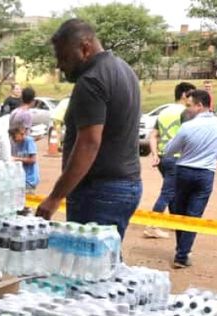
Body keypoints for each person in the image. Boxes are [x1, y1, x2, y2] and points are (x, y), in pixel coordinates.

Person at [35, 19, 142, 241]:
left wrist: (55, 197)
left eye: (63, 57)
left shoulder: (90, 81)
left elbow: (89, 143)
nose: (59, 65)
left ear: (85, 48)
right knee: (104, 263)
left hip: (99, 192)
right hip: (127, 185)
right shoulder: (124, 70)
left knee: (87, 267)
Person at [163, 89, 217, 268]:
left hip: (184, 171)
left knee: (179, 213)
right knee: (194, 215)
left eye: (190, 105)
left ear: (200, 106)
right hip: (206, 174)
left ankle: (181, 250)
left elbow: (169, 150)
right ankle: (182, 255)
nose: (188, 109)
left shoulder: (187, 127)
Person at [145, 81, 196, 240]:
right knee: (168, 192)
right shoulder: (186, 113)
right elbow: (190, 136)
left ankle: (175, 221)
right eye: (191, 95)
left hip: (162, 157)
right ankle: (151, 225)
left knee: (172, 190)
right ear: (183, 95)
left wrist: (154, 154)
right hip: (176, 158)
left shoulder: (164, 111)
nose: (192, 99)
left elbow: (153, 135)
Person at [10, 122, 39, 192]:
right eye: (12, 136)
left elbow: (33, 160)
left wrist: (16, 159)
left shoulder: (29, 141)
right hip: (21, 178)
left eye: (14, 136)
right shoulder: (15, 143)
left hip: (29, 179)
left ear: (22, 134)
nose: (13, 138)